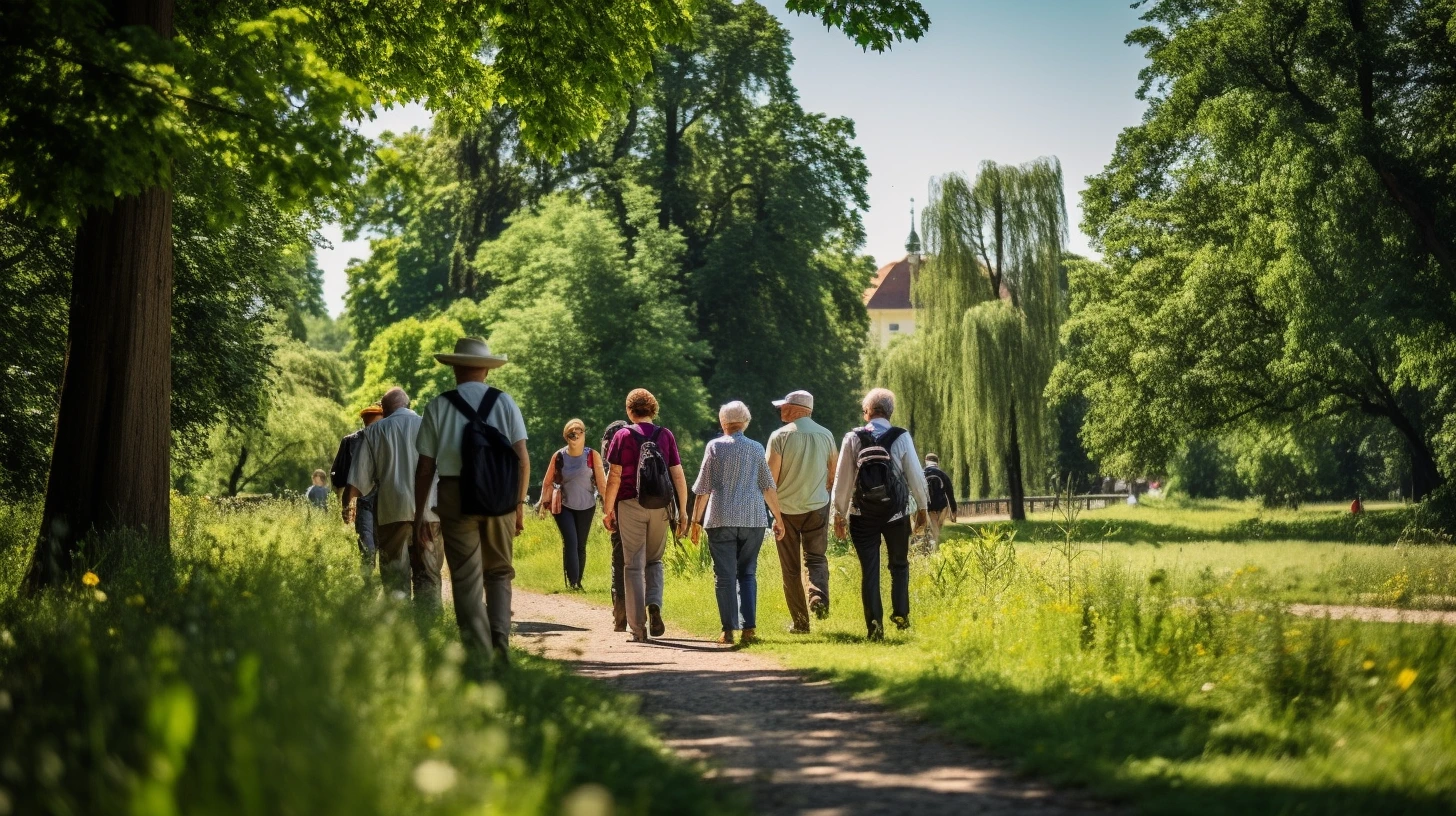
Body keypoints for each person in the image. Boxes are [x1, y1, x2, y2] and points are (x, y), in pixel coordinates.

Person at [413, 337, 529, 665]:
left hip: (455, 497)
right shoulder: (505, 403)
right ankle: (501, 648)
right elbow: (522, 459)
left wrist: (420, 514)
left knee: (465, 577)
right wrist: (518, 505)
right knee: (500, 572)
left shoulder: (437, 406)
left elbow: (424, 469)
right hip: (500, 496)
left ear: (454, 369)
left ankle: (479, 656)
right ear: (487, 371)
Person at [832, 388, 929, 640]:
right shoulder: (902, 437)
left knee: (870, 570)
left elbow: (843, 480)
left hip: (862, 514)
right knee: (899, 564)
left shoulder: (852, 438)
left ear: (867, 413)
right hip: (896, 513)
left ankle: (875, 628)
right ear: (890, 412)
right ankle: (901, 613)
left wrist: (838, 514)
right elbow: (915, 475)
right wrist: (922, 507)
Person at [690, 402, 786, 645]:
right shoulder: (755, 448)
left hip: (721, 518)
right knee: (748, 573)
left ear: (723, 423)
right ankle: (749, 629)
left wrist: (694, 522)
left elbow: (703, 489)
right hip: (753, 519)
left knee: (725, 576)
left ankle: (728, 630)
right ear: (745, 421)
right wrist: (778, 518)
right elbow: (767, 486)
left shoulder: (714, 447)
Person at [602, 389, 689, 643]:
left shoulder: (622, 435)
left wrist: (608, 510)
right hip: (660, 506)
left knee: (632, 566)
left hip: (630, 504)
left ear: (630, 411)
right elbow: (678, 474)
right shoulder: (665, 435)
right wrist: (682, 510)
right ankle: (654, 604)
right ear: (653, 409)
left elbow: (614, 475)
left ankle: (638, 629)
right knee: (655, 561)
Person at [346, 387, 441, 611]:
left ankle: (399, 630)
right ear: (409, 405)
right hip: (429, 512)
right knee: (428, 573)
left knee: (395, 576)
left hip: (392, 512)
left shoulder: (373, 432)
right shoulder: (431, 427)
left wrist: (347, 502)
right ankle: (431, 628)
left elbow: (358, 480)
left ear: (385, 410)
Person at [765, 389, 837, 633]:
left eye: (784, 406)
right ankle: (818, 597)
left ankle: (800, 623)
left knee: (791, 568)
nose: (780, 410)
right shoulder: (827, 435)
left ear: (796, 409)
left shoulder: (779, 437)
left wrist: (776, 516)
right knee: (816, 558)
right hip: (817, 507)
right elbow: (832, 473)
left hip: (785, 511)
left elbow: (769, 481)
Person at [540, 418, 608, 590]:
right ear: (566, 436)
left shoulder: (592, 455)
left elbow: (602, 484)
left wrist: (609, 507)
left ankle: (578, 581)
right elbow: (547, 482)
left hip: (587, 505)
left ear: (584, 434)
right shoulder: (559, 456)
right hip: (564, 506)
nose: (576, 433)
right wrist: (543, 504)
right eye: (572, 432)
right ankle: (573, 583)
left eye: (579, 431)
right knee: (571, 541)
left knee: (581, 545)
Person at [331, 404, 384, 568]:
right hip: (375, 499)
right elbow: (339, 476)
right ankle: (376, 583)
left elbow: (339, 476)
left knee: (370, 543)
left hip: (369, 498)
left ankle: (373, 581)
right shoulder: (387, 437)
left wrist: (344, 503)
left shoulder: (351, 441)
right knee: (377, 545)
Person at [600, 419, 630, 630]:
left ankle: (620, 616)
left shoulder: (613, 441)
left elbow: (611, 479)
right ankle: (645, 610)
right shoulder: (640, 441)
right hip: (645, 507)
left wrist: (608, 510)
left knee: (619, 562)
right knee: (644, 563)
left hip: (619, 508)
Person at [922, 453, 958, 551]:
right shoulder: (943, 475)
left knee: (931, 527)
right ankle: (934, 548)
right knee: (937, 527)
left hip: (927, 506)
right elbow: (950, 494)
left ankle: (930, 547)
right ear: (937, 462)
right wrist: (953, 512)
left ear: (926, 461)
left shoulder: (921, 473)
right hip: (942, 506)